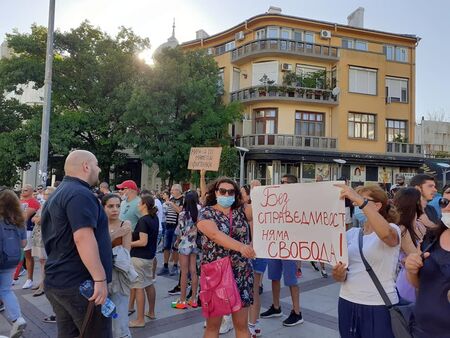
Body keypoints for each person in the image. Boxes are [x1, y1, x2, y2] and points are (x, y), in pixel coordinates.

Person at [41, 150, 113, 338]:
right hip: (81, 284)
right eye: (96, 164)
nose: (98, 169)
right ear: (86, 166)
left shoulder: (59, 193)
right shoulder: (80, 194)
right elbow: (82, 237)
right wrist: (100, 279)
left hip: (59, 280)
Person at [332, 184, 400, 338]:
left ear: (377, 205)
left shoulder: (392, 229)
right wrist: (338, 274)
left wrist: (357, 198)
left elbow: (387, 237)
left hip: (378, 305)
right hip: (347, 300)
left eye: (362, 200)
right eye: (354, 201)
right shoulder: (352, 234)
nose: (355, 204)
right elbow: (341, 276)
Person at [197, 177, 255, 338]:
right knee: (213, 327)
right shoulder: (206, 212)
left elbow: (265, 209)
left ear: (236, 194)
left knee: (242, 326)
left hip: (241, 273)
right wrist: (241, 247)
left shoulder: (241, 210)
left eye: (231, 192)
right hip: (217, 274)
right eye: (222, 191)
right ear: (215, 192)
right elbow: (215, 235)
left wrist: (259, 194)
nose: (226, 194)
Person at [260, 174, 304, 327]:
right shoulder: (275, 201)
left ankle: (297, 312)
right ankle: (276, 307)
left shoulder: (298, 203)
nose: (281, 184)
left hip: (290, 246)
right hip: (275, 243)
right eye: (281, 182)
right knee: (274, 276)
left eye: (284, 182)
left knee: (291, 280)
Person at [405, 195, 450, 338]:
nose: (447, 208)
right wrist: (412, 269)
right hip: (421, 330)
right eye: (444, 202)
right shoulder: (431, 237)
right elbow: (419, 284)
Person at [102, 194, 133, 338]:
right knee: (102, 318)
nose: (115, 209)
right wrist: (114, 236)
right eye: (110, 206)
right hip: (100, 276)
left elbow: (125, 255)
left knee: (119, 319)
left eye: (118, 206)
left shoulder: (125, 225)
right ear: (103, 208)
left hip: (118, 276)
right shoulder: (98, 225)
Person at [0, 187, 28, 338]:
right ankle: (18, 319)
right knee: (5, 290)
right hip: (11, 260)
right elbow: (24, 243)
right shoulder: (19, 219)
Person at [129, 195, 159, 328]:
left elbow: (143, 241)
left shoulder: (143, 220)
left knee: (138, 286)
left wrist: (128, 243)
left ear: (144, 205)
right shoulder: (154, 218)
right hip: (149, 256)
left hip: (139, 257)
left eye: (139, 203)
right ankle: (151, 312)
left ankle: (140, 319)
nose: (137, 205)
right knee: (148, 284)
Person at [392, 187, 426, 303]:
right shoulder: (403, 229)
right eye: (422, 198)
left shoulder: (419, 225)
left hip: (421, 280)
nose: (425, 200)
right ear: (415, 203)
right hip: (408, 283)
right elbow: (417, 257)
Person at [173, 191, 200, 309]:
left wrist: (177, 241)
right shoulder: (199, 212)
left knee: (184, 272)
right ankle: (194, 298)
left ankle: (182, 300)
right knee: (193, 271)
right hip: (194, 244)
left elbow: (180, 230)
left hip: (184, 244)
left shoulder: (183, 214)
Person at [31, 186, 56, 297]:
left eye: (47, 194)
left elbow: (41, 220)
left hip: (45, 236)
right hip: (39, 236)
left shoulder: (52, 205)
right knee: (41, 261)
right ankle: (42, 282)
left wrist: (37, 220)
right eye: (45, 193)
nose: (45, 195)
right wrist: (37, 219)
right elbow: (34, 218)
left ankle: (44, 285)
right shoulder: (43, 205)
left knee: (45, 261)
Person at [158, 184, 183, 277]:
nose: (171, 192)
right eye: (171, 190)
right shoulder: (171, 200)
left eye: (173, 190)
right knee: (166, 246)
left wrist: (171, 204)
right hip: (168, 225)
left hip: (177, 226)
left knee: (175, 247)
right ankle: (165, 266)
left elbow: (180, 211)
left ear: (178, 190)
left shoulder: (182, 200)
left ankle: (175, 266)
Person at [19, 184, 40, 290]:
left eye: (26, 189)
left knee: (28, 255)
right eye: (22, 189)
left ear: (32, 191)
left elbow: (24, 217)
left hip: (28, 231)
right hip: (18, 230)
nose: (23, 191)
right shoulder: (20, 201)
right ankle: (16, 275)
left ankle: (29, 279)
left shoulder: (33, 202)